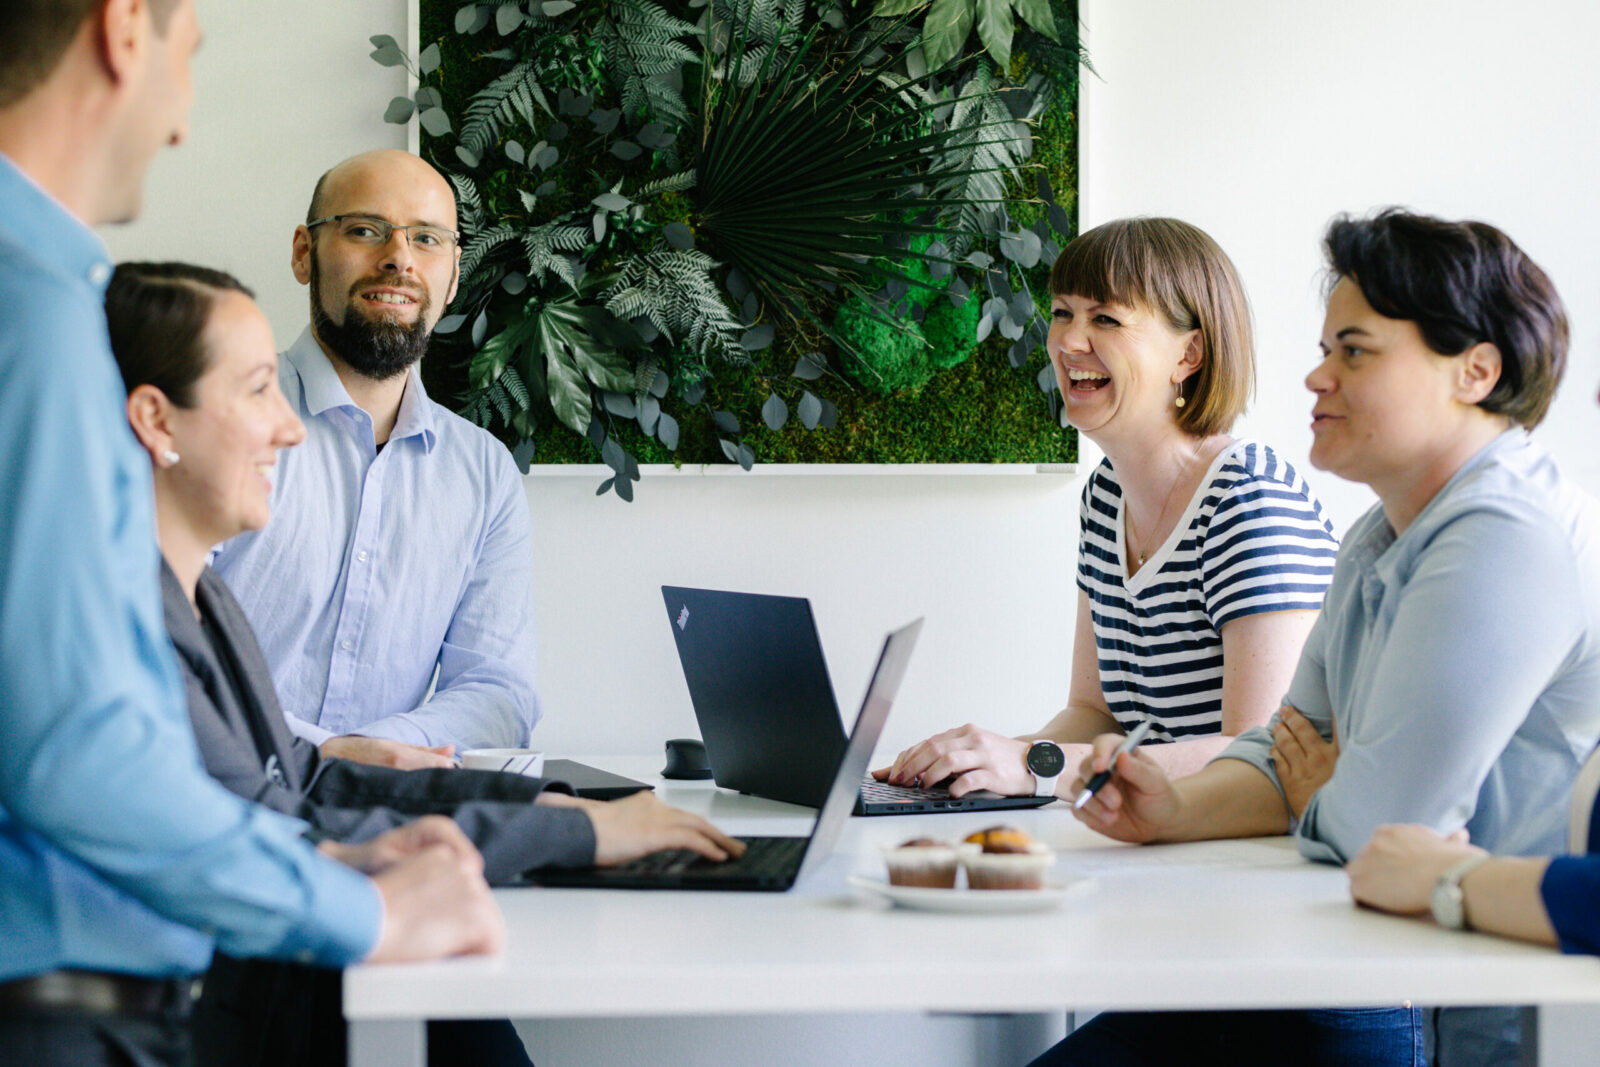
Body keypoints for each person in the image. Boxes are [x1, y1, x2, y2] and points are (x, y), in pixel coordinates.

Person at [0, 4, 501, 1065]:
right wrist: (354, 904)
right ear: (124, 30)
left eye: (426, 237)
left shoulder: (47, 295)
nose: (183, 124)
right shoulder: (37, 306)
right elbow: (76, 746)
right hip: (68, 999)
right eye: (194, 53)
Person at [106, 260, 747, 1067]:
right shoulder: (123, 625)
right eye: (258, 389)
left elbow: (310, 773)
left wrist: (557, 806)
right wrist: (569, 830)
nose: (291, 426)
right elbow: (282, 825)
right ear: (158, 422)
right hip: (213, 1006)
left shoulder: (202, 600)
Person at [1047, 210, 1600, 1066]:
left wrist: (1326, 791)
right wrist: (1175, 807)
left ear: (1475, 372)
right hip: (1421, 971)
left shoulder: (1505, 533)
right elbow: (1283, 747)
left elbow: (1385, 824)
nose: (1315, 376)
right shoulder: (1380, 535)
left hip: (1508, 1003)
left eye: (1354, 351)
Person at [876, 217, 1337, 799]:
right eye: (1064, 312)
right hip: (1167, 840)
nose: (1068, 341)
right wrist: (982, 763)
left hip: (1256, 856)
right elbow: (1095, 714)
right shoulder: (1105, 496)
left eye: (1106, 319)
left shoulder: (1248, 497)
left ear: (1189, 354)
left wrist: (1035, 766)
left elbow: (1259, 752)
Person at [211, 148, 537, 769]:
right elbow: (151, 653)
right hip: (215, 808)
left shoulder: (486, 475)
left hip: (391, 822)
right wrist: (322, 754)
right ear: (304, 253)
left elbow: (500, 692)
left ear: (453, 273)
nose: (399, 258)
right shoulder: (218, 417)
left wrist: (377, 753)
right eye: (365, 230)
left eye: (427, 239)